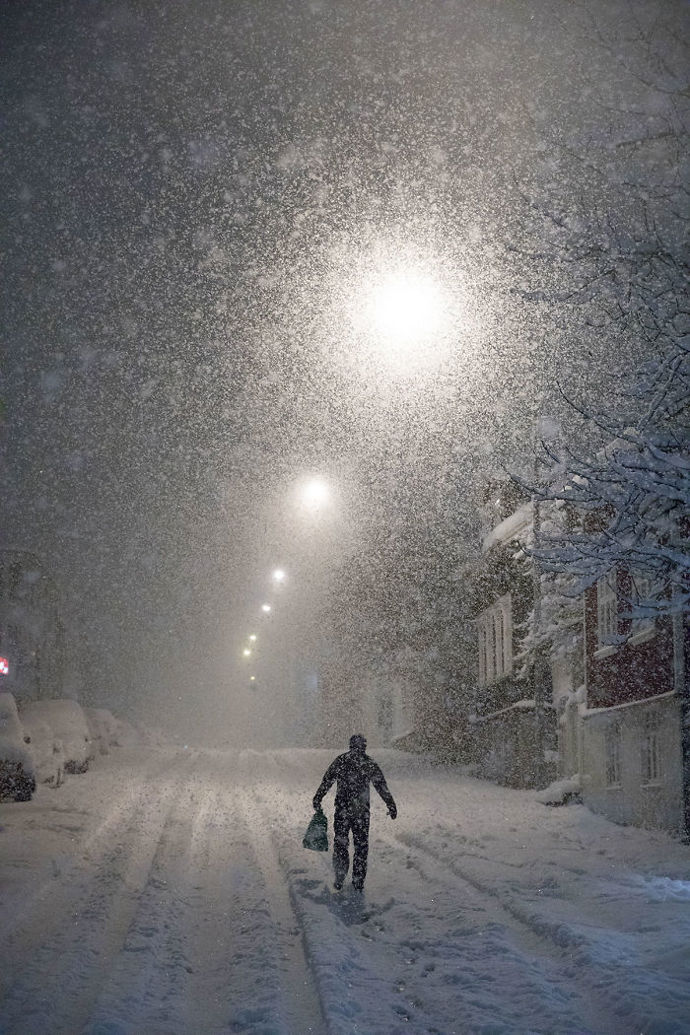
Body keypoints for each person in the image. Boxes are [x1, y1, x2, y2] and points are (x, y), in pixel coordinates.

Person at [312, 733, 397, 892]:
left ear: (350, 745)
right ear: (364, 746)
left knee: (341, 844)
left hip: (343, 810)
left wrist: (318, 798)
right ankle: (358, 881)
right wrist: (391, 805)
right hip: (361, 813)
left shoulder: (341, 760)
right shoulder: (368, 763)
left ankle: (339, 876)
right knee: (361, 847)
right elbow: (381, 786)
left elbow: (327, 781)